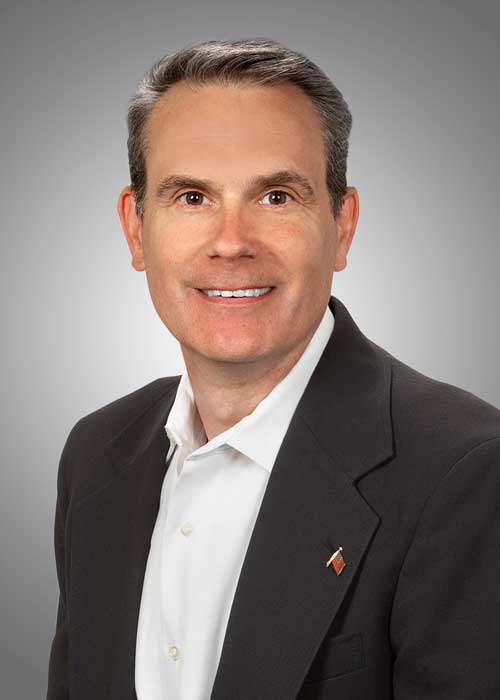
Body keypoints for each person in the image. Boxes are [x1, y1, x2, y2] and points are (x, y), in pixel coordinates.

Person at [46, 37, 500, 700]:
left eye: (277, 197)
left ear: (342, 226)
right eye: (192, 197)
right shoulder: (95, 453)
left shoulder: (467, 474)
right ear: (136, 228)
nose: (231, 243)